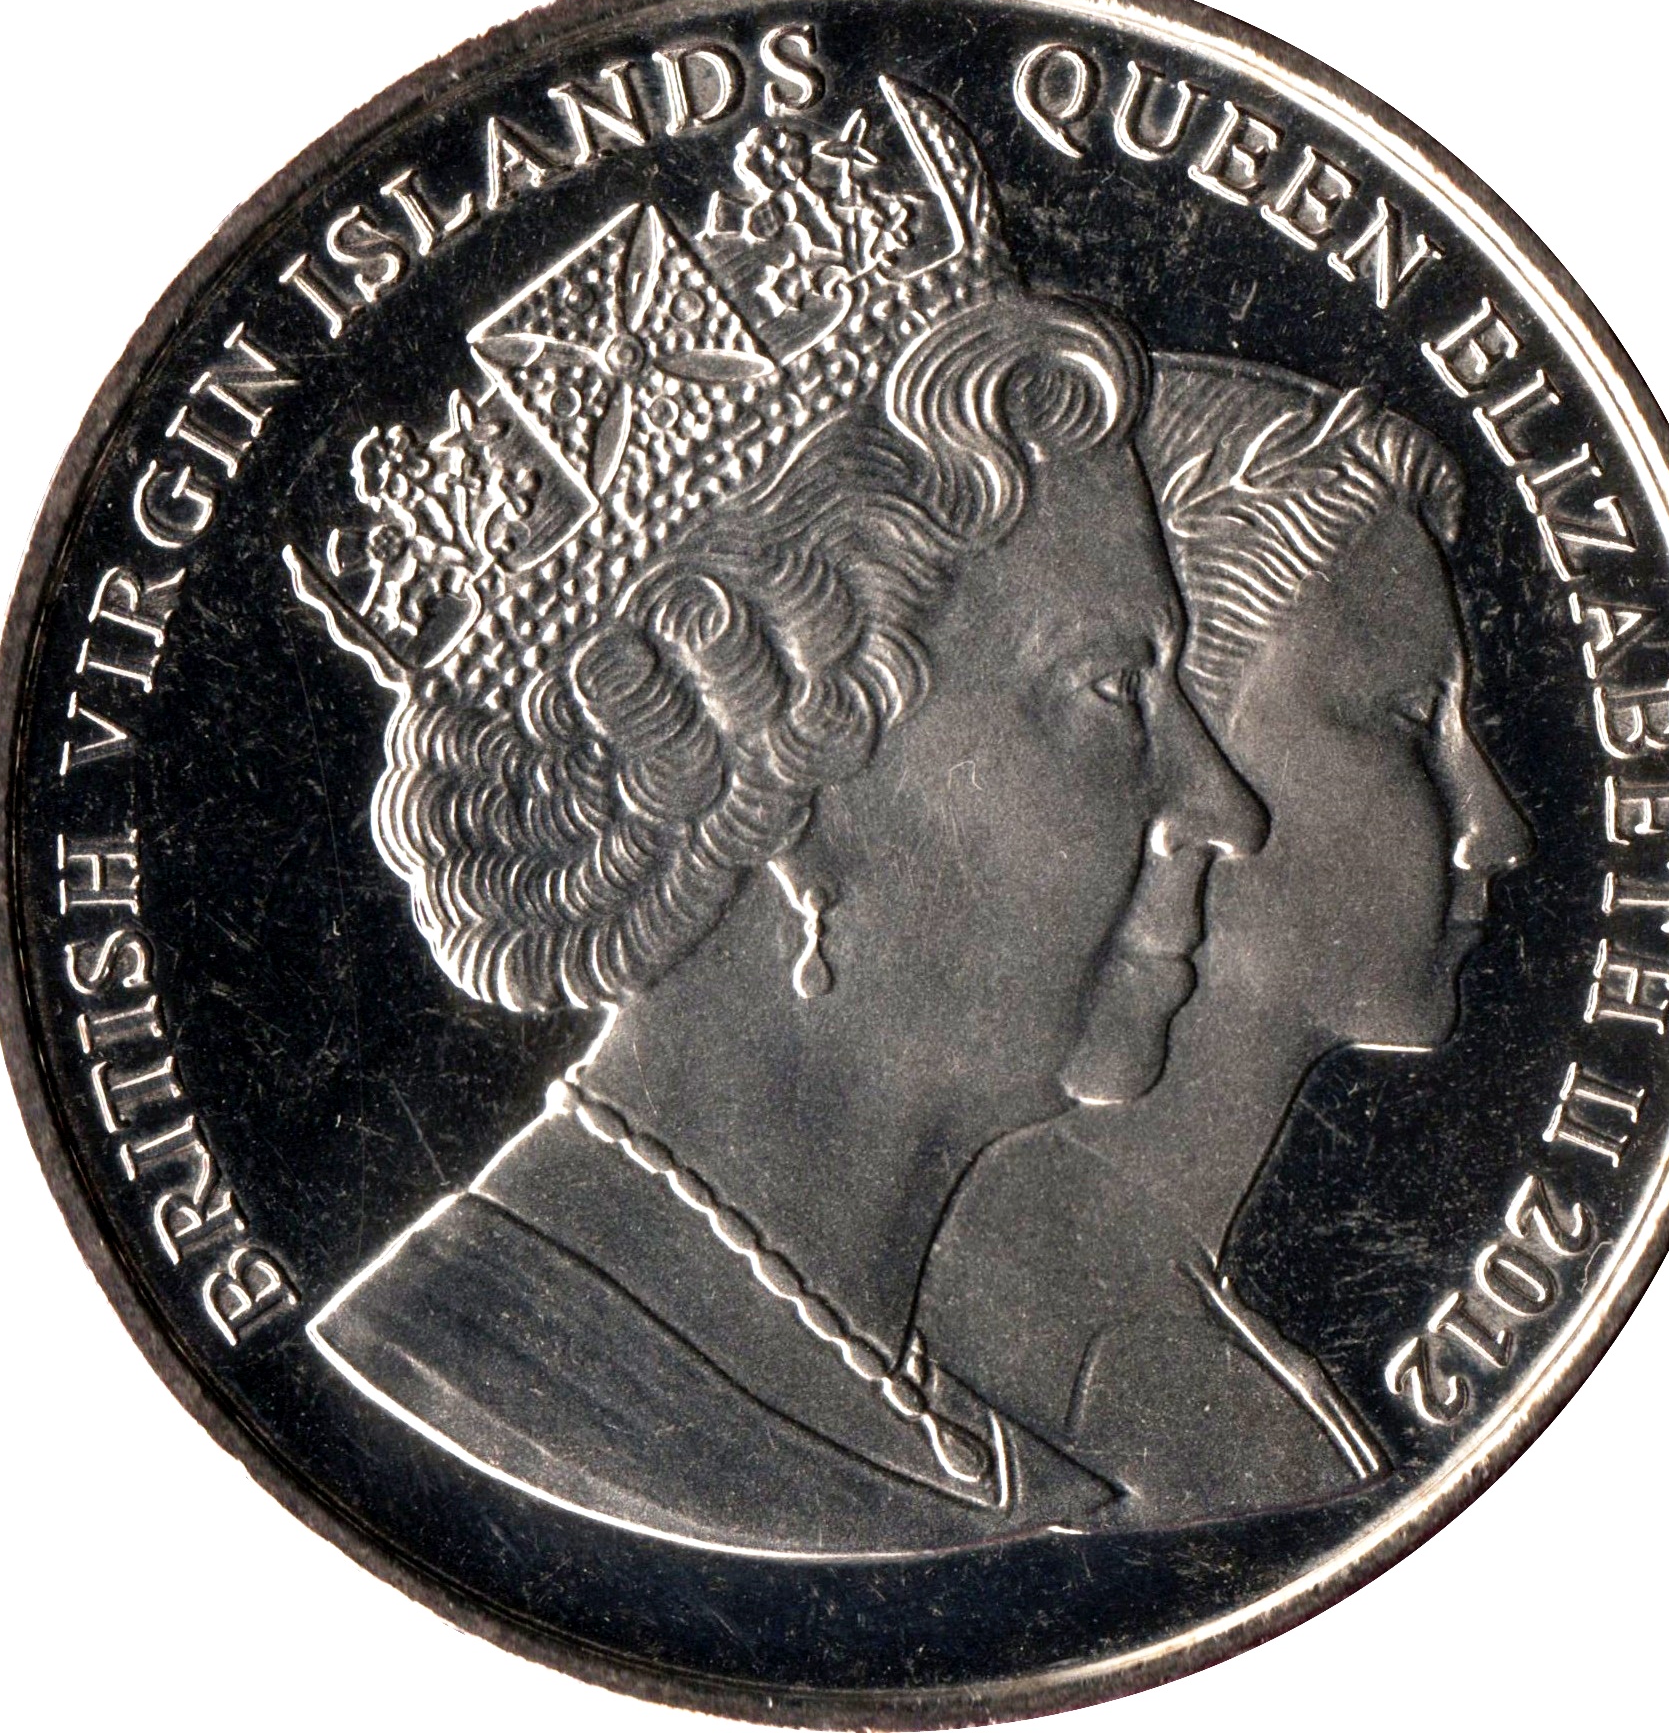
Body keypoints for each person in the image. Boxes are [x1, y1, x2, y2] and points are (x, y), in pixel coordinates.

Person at [288, 83, 1262, 1558]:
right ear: (790, 796)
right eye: (1110, 687)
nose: (1222, 807)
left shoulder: (958, 1438)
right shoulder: (513, 1358)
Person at [916, 355, 1532, 1530]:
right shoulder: (1113, 1371)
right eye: (1409, 724)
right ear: (1178, 754)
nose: (1493, 833)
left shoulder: (1177, 1344)